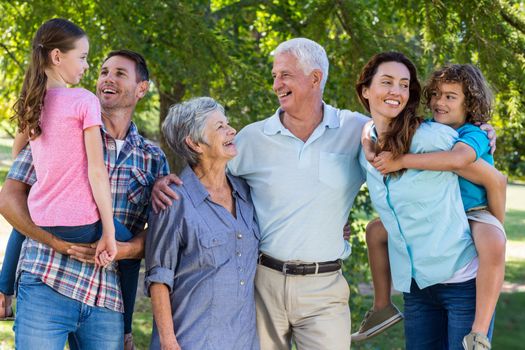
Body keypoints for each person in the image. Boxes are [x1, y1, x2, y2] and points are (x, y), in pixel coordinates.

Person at [152, 38, 368, 350]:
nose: (277, 84)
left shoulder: (355, 129)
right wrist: (166, 183)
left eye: (285, 75)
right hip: (263, 284)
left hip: (324, 286)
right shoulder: (252, 139)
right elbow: (205, 173)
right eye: (274, 76)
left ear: (315, 78)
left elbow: (390, 167)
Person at [0, 47, 168, 349]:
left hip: (106, 298)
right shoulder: (64, 125)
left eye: (120, 73)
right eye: (104, 72)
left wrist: (123, 249)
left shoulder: (153, 158)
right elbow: (12, 199)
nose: (108, 78)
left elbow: (158, 232)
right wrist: (50, 246)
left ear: (142, 88)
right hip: (46, 280)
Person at [355, 51, 503, 349]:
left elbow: (485, 174)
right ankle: (382, 306)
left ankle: (478, 332)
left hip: (473, 214)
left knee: (493, 241)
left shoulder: (459, 136)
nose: (439, 102)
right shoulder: (383, 132)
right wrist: (368, 145)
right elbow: (368, 127)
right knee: (375, 230)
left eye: (450, 97)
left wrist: (494, 218)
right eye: (435, 95)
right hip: (419, 282)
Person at [145, 97, 260, 350]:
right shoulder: (173, 199)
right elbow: (159, 278)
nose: (232, 131)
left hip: (244, 341)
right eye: (220, 127)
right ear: (195, 143)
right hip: (192, 341)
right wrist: (168, 342)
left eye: (228, 124)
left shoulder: (246, 193)